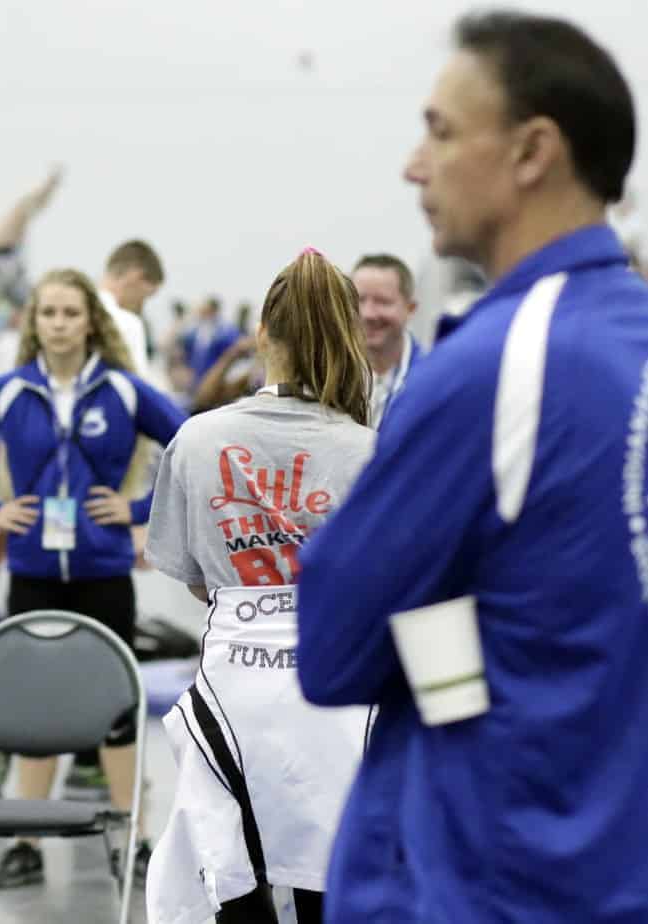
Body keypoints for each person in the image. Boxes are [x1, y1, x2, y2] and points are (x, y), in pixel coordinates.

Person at [297, 12, 648, 922]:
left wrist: (447, 626)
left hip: (481, 877)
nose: (415, 166)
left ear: (532, 151)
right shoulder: (628, 341)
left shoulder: (492, 366)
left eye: (441, 132)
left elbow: (333, 648)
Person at [143, 249, 376, 924]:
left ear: (262, 334)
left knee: (234, 878)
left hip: (233, 690)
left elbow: (191, 578)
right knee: (331, 881)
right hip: (335, 688)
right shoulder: (369, 450)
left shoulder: (197, 439)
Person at [0, 267, 186, 889]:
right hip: (33, 575)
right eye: (48, 313)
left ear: (92, 322)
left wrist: (138, 510)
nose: (58, 324)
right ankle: (26, 842)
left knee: (116, 707)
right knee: (35, 708)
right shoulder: (8, 392)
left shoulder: (124, 391)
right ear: (34, 323)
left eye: (70, 313)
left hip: (103, 573)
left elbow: (191, 447)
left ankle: (135, 840)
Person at [352, 253, 424, 427]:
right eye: (359, 300)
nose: (368, 314)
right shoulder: (326, 379)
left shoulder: (432, 377)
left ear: (410, 308)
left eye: (382, 302)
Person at [98, 240, 163, 377]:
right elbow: (137, 385)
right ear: (136, 276)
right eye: (145, 297)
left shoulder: (71, 314)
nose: (142, 307)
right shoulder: (129, 323)